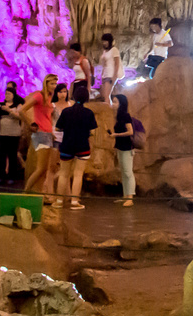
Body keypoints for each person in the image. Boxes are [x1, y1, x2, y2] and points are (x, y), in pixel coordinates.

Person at [53, 82, 98, 210]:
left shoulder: (66, 112)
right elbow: (93, 132)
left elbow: (57, 127)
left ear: (73, 96)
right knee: (78, 174)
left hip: (67, 145)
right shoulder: (89, 113)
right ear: (86, 98)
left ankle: (59, 201)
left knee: (63, 174)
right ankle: (74, 201)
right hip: (83, 146)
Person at [20, 74, 59, 193]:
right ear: (46, 84)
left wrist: (51, 132)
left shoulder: (49, 98)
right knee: (41, 168)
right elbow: (22, 110)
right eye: (52, 83)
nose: (54, 86)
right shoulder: (39, 96)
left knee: (44, 169)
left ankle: (39, 193)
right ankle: (26, 191)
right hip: (41, 134)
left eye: (55, 83)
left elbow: (47, 117)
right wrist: (30, 123)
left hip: (47, 133)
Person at [0, 82, 25, 185]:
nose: (7, 96)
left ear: (13, 95)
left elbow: (20, 116)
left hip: (13, 133)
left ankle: (12, 176)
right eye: (6, 94)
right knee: (1, 154)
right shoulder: (1, 105)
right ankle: (1, 176)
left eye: (9, 94)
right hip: (2, 132)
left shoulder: (18, 105)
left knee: (12, 155)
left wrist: (9, 110)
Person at [111, 93, 139, 206]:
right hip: (120, 147)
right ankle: (125, 195)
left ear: (121, 104)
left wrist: (116, 135)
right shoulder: (118, 116)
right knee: (123, 171)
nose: (113, 104)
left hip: (127, 147)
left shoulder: (125, 116)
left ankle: (130, 197)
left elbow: (130, 131)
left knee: (128, 172)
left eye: (115, 102)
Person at [96, 33, 122, 101]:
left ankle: (108, 110)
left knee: (107, 95)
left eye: (105, 41)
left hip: (111, 74)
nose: (104, 43)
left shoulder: (114, 50)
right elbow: (104, 65)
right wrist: (101, 75)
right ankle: (108, 108)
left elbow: (117, 63)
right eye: (103, 41)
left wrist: (115, 76)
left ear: (109, 41)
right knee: (105, 96)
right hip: (105, 74)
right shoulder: (105, 51)